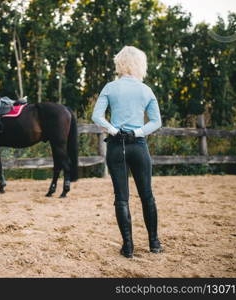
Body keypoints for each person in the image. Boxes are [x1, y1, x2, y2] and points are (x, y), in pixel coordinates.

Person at [91, 45, 163, 258]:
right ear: (140, 64)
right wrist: (138, 132)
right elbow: (157, 122)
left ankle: (128, 247)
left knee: (121, 198)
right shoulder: (146, 90)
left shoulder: (110, 87)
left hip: (116, 145)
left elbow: (97, 116)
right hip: (139, 146)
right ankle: (154, 243)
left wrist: (113, 130)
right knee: (147, 195)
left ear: (120, 63)